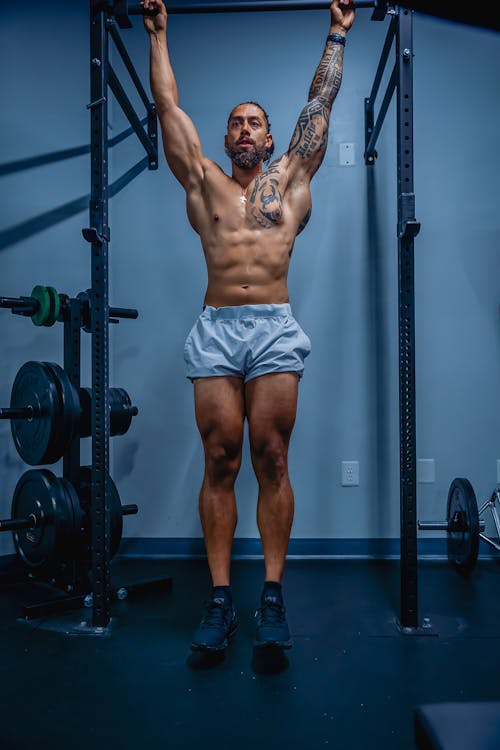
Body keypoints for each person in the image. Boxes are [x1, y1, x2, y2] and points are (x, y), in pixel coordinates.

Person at [142, 0, 355, 652]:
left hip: (272, 326)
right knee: (219, 457)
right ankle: (219, 599)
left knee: (271, 455)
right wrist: (158, 34)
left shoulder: (290, 176)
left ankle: (270, 596)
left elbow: (319, 102)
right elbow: (168, 111)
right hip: (216, 326)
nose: (242, 129)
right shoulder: (202, 181)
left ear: (268, 139)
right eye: (234, 122)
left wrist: (336, 34)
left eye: (254, 122)